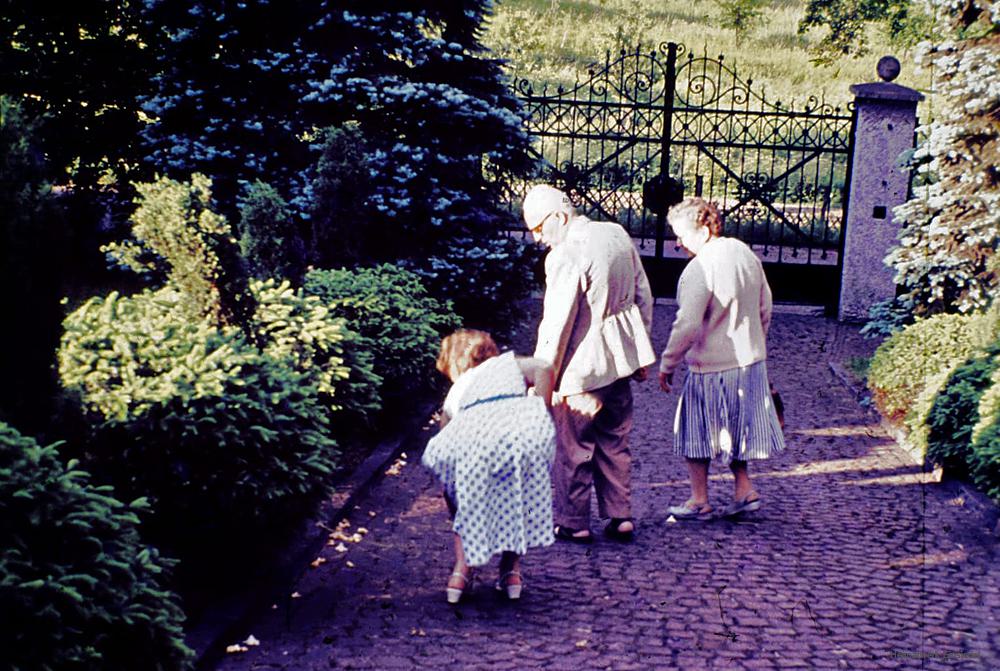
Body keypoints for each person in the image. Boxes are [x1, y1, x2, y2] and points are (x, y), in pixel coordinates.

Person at [522, 184, 656, 543]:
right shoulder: (615, 233)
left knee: (573, 448)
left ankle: (573, 522)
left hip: (581, 370)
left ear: (559, 217)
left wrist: (541, 381)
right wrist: (641, 353)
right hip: (621, 361)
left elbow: (557, 325)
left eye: (537, 227)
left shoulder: (565, 254)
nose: (536, 238)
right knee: (615, 439)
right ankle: (620, 515)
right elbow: (643, 294)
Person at [657, 197, 785, 520]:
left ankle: (699, 499)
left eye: (681, 234)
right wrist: (755, 340)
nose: (678, 243)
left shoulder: (699, 268)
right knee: (738, 428)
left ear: (702, 228)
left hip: (711, 366)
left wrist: (668, 363)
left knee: (695, 431)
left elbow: (687, 323)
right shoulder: (745, 253)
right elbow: (765, 307)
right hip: (749, 361)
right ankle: (744, 489)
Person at [421, 329, 557, 603]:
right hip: (518, 445)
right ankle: (511, 571)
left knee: (458, 495)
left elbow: (447, 433)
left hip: (476, 453)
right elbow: (543, 366)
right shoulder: (509, 365)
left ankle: (462, 569)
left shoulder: (460, 388)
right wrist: (541, 409)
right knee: (517, 496)